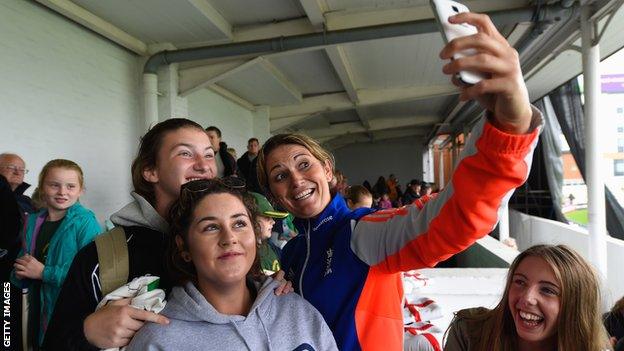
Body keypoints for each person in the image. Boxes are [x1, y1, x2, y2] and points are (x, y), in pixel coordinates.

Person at [255, 12, 542, 350]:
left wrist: (510, 123)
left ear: (328, 170)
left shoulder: (361, 234)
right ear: (274, 195)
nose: (297, 179)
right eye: (280, 176)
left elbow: (452, 220)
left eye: (304, 164)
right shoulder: (290, 254)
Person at [43, 119, 215, 350]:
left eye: (209, 154)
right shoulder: (104, 256)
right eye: (185, 153)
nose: (204, 166)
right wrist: (88, 331)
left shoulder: (233, 242)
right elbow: (55, 342)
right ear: (150, 171)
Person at [126, 179, 338, 351]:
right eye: (210, 227)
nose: (229, 238)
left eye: (239, 224)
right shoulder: (158, 341)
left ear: (255, 236)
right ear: (184, 247)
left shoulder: (297, 311)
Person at [444, 245, 612, 351]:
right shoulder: (468, 332)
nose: (527, 298)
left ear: (576, 305)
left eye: (547, 290)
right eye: (520, 282)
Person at [11, 159, 102, 347]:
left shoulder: (85, 223)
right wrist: (18, 273)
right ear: (42, 187)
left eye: (70, 186)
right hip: (36, 307)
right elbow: (22, 263)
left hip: (70, 313)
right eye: (54, 185)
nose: (62, 192)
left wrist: (44, 273)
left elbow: (92, 277)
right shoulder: (33, 222)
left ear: (80, 190)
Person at [250, 191, 289, 273]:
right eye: (267, 218)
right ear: (250, 220)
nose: (273, 222)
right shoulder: (248, 257)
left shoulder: (270, 248)